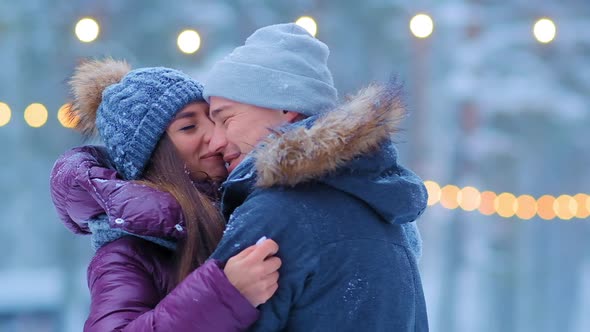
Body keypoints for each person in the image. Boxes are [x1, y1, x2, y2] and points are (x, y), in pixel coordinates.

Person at [202, 23, 429, 331]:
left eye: (225, 118)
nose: (215, 141)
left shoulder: (278, 213)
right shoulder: (383, 209)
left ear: (287, 109)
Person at [49, 59, 281, 331]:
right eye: (188, 127)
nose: (215, 136)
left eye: (214, 119)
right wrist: (223, 293)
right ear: (151, 156)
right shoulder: (125, 252)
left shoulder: (241, 203)